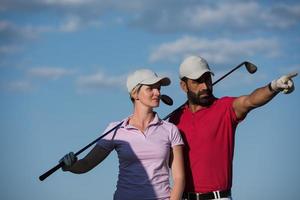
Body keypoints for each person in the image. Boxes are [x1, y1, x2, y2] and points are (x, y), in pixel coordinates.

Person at [168, 55, 297, 200]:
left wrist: (274, 86)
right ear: (183, 86)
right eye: (197, 82)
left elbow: (250, 100)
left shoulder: (225, 108)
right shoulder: (174, 119)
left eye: (207, 79)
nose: (204, 86)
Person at [60, 69, 185, 200]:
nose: (157, 93)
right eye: (151, 89)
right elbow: (86, 164)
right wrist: (70, 166)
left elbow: (179, 178)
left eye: (158, 88)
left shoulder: (170, 130)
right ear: (135, 93)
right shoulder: (115, 129)